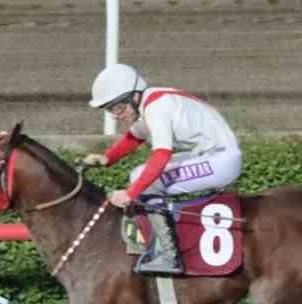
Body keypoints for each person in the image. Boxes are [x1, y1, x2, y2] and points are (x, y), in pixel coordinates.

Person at [81, 62, 243, 276]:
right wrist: (107, 158)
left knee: (146, 181)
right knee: (138, 174)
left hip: (222, 159)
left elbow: (161, 156)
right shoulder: (147, 102)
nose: (115, 115)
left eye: (118, 107)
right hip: (211, 154)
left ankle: (168, 255)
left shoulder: (157, 107)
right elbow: (134, 137)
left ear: (134, 96)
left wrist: (130, 194)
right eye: (110, 109)